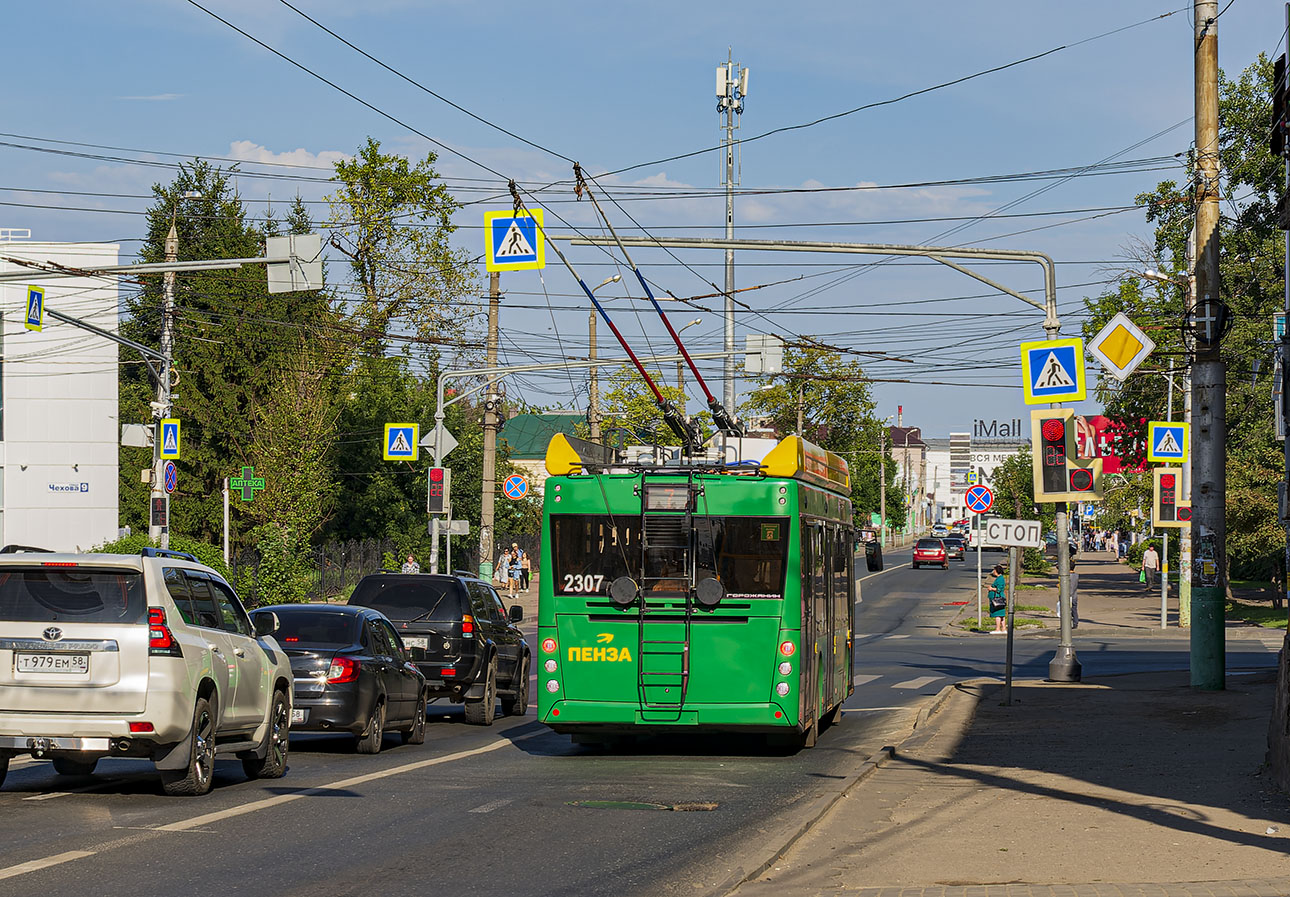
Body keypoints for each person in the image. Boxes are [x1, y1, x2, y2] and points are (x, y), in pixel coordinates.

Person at [987, 563, 1007, 633]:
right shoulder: (999, 578)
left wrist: (991, 588)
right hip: (999, 598)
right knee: (1002, 614)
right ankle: (1004, 628)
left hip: (997, 599)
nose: (993, 572)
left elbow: (999, 589)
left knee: (997, 614)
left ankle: (998, 629)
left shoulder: (1000, 579)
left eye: (994, 570)